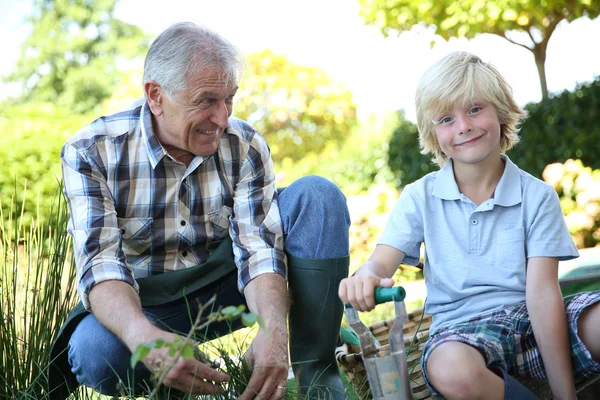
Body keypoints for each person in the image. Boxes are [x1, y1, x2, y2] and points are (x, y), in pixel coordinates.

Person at [48, 21, 350, 400]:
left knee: (317, 195)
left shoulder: (244, 144)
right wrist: (145, 337)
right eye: (207, 100)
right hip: (145, 304)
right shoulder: (92, 151)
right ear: (155, 95)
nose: (223, 118)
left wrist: (273, 333)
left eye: (229, 99)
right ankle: (192, 380)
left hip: (228, 286)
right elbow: (101, 264)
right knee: (97, 351)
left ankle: (317, 380)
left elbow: (258, 250)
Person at [339, 51, 600, 400]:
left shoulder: (537, 196)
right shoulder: (421, 196)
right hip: (459, 335)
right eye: (446, 118)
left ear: (501, 112)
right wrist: (367, 275)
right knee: (449, 369)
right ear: (432, 132)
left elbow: (541, 295)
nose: (463, 126)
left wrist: (565, 394)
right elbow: (381, 260)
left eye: (475, 109)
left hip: (528, 322)